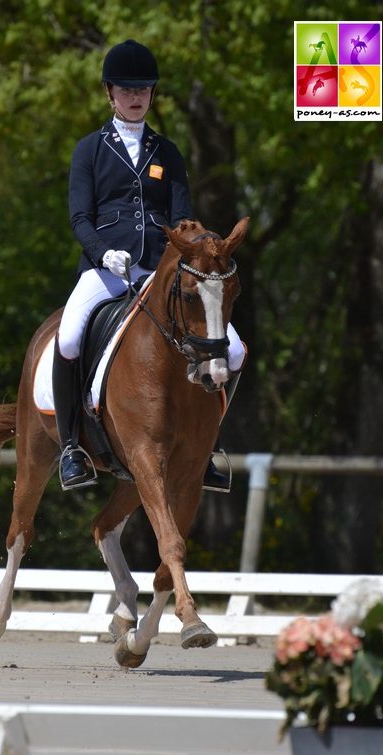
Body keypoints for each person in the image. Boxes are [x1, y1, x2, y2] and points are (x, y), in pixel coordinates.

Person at [53, 39, 246, 490]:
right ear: (110, 93)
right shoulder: (90, 150)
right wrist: (102, 252)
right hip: (104, 270)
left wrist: (187, 255)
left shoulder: (168, 152)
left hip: (159, 275)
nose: (135, 96)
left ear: (152, 94)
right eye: (126, 89)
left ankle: (208, 444)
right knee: (68, 338)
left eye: (143, 89)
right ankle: (70, 448)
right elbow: (80, 217)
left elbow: (183, 220)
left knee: (233, 349)